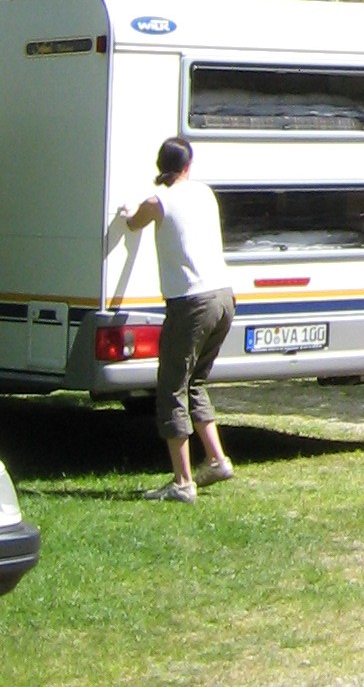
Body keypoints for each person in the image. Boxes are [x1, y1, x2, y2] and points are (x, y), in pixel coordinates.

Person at [118, 138, 237, 501]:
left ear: (161, 164)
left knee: (171, 387)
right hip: (224, 297)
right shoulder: (205, 194)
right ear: (189, 165)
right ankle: (217, 460)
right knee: (195, 382)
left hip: (191, 302)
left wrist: (126, 214)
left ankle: (183, 482)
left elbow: (135, 223)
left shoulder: (158, 202)